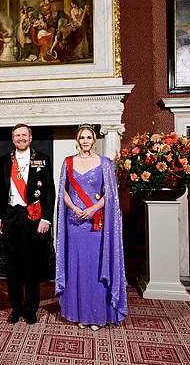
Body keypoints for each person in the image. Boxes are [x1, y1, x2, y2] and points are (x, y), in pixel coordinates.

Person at [55, 124, 128, 331]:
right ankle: (79, 312)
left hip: (96, 224)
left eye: (89, 137)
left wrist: (94, 208)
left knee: (95, 269)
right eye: (82, 137)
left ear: (94, 140)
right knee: (78, 267)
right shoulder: (68, 162)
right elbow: (63, 192)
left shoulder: (105, 163)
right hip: (75, 223)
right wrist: (75, 208)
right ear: (77, 141)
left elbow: (111, 194)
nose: (85, 141)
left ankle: (97, 315)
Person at [0, 123, 55, 324]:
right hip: (11, 215)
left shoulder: (42, 159)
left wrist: (46, 218)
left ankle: (31, 308)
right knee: (13, 266)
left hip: (33, 217)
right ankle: (16, 307)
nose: (20, 138)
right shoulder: (4, 160)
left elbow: (49, 192)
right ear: (13, 139)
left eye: (24, 135)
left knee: (32, 265)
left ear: (30, 137)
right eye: (17, 135)